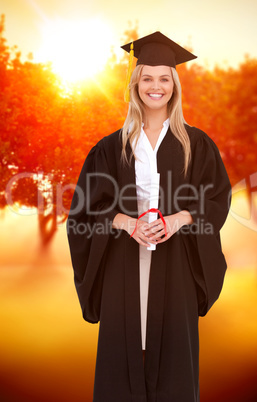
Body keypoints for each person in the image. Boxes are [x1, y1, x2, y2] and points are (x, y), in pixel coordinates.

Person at [66, 31, 232, 402]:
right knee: (120, 373)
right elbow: (83, 209)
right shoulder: (111, 147)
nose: (155, 86)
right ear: (135, 84)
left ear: (174, 84)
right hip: (122, 269)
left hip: (176, 270)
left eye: (164, 78)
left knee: (174, 371)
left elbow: (217, 199)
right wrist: (127, 223)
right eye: (147, 78)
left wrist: (178, 220)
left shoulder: (197, 145)